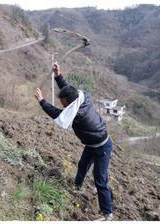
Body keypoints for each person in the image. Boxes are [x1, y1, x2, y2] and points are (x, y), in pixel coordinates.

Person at [34, 63, 113, 221]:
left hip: (102, 146)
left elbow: (57, 114)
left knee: (100, 179)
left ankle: (107, 213)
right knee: (82, 165)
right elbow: (68, 90)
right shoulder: (82, 97)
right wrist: (58, 75)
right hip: (91, 144)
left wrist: (42, 100)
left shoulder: (78, 114)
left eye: (63, 103)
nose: (62, 105)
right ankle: (76, 186)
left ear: (69, 103)